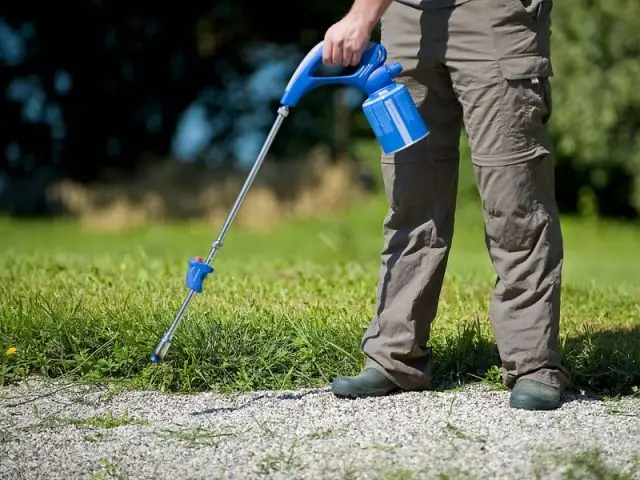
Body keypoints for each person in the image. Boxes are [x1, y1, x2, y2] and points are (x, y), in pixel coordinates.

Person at [323, 0, 571, 410]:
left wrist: (360, 15)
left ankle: (533, 363)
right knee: (411, 200)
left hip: (493, 14)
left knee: (515, 204)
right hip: (406, 15)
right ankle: (394, 356)